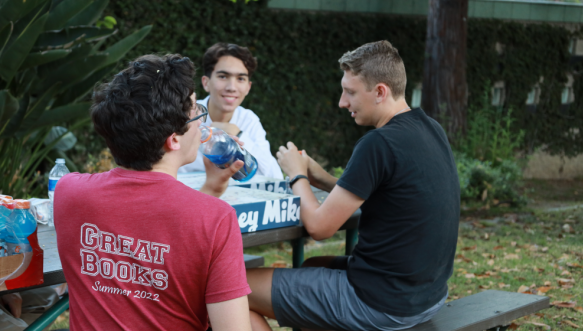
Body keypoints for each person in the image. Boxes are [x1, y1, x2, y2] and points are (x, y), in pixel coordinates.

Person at [247, 41, 460, 331]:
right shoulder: (429, 128)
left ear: (380, 92)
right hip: (426, 297)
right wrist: (319, 177)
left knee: (236, 286)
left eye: (350, 92)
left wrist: (296, 174)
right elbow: (380, 193)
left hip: (381, 304)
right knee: (311, 266)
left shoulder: (378, 143)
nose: (342, 102)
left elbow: (321, 228)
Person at [53, 54, 252, 331]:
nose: (203, 124)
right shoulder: (217, 218)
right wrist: (211, 197)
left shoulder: (68, 192)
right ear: (173, 139)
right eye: (196, 112)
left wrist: (211, 189)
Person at [178, 42, 283, 179]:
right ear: (206, 83)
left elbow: (275, 176)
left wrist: (237, 133)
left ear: (248, 87)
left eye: (240, 78)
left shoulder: (248, 120)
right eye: (223, 76)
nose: (232, 87)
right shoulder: (186, 114)